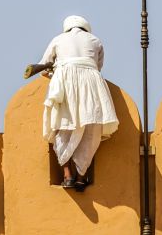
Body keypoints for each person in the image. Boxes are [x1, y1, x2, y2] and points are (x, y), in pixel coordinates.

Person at [38, 15, 118, 191]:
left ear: (67, 27)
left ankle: (67, 176)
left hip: (64, 84)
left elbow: (42, 69)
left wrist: (56, 72)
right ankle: (82, 177)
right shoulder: (95, 40)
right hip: (91, 84)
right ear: (85, 28)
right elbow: (97, 66)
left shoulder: (58, 39)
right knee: (90, 130)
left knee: (62, 127)